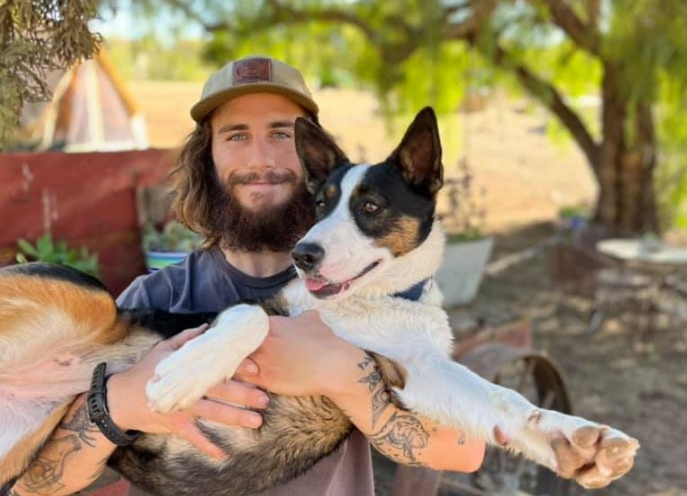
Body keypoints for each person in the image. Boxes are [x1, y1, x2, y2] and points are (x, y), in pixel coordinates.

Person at [11, 56, 485, 496]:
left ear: (317, 159)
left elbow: (465, 449)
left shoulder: (369, 289)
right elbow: (37, 487)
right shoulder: (153, 298)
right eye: (236, 135)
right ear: (208, 158)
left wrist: (342, 375)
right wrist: (116, 406)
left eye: (281, 134)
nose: (261, 159)